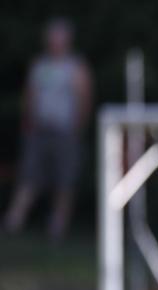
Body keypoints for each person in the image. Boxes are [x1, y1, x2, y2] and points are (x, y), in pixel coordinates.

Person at [4, 18, 92, 240]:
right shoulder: (39, 65)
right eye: (52, 38)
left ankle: (57, 228)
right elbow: (29, 96)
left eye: (59, 38)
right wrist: (28, 121)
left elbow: (84, 98)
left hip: (65, 132)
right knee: (29, 177)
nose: (55, 42)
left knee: (65, 181)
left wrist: (77, 127)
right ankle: (13, 223)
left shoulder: (76, 67)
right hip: (39, 131)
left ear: (67, 40)